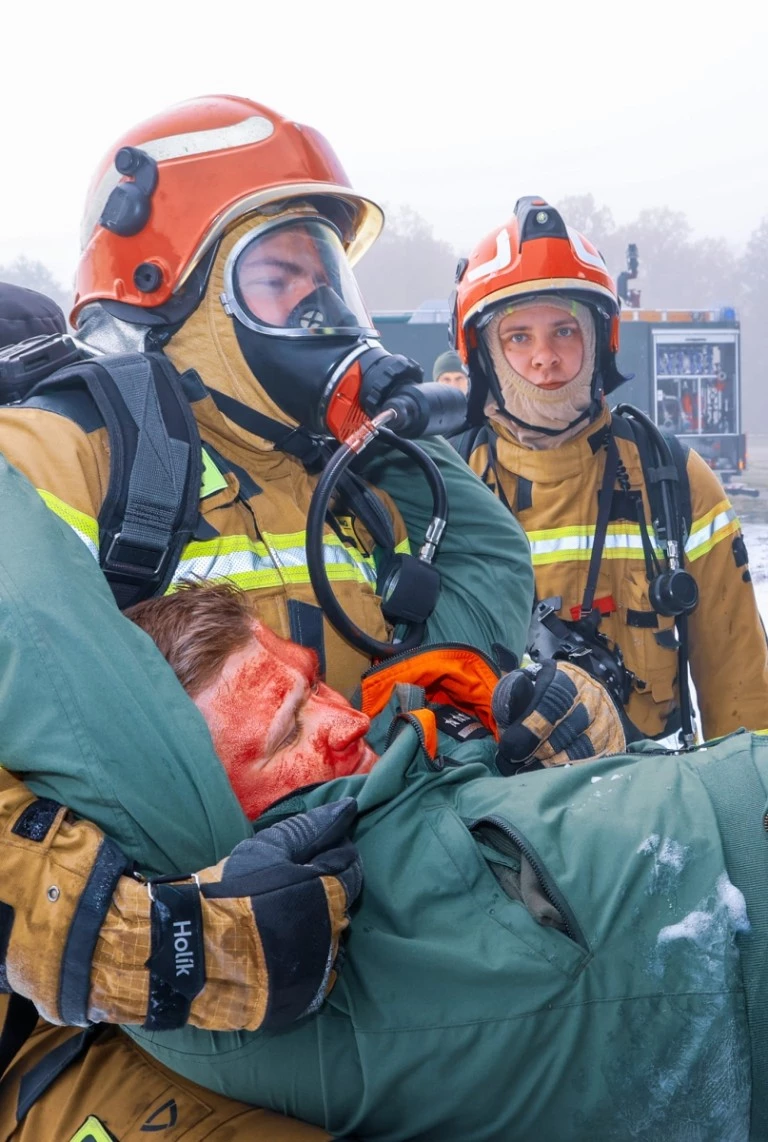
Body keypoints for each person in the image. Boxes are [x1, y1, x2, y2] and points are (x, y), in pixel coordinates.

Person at [0, 96, 534, 1055]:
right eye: (283, 277)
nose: (323, 310)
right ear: (179, 289)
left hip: (366, 959)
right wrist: (128, 936)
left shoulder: (350, 485)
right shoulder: (67, 458)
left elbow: (453, 624)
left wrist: (524, 719)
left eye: (329, 279)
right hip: (112, 1027)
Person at [0, 487, 765, 1142]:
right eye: (287, 733)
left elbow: (490, 553)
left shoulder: (418, 740)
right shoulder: (252, 950)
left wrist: (579, 756)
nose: (340, 721)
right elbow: (35, 610)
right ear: (194, 812)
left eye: (312, 688)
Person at [450, 195, 768, 745]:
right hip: (495, 808)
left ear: (601, 339)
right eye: (518, 336)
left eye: (565, 331)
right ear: (483, 354)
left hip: (651, 800)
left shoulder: (674, 481)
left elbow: (741, 689)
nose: (544, 358)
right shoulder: (445, 492)